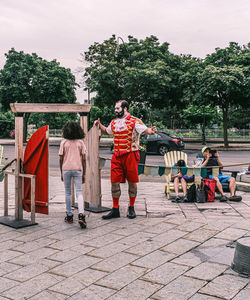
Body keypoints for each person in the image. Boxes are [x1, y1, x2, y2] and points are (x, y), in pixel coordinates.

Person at [94, 100, 157, 219]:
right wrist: (99, 124)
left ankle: (131, 207)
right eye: (115, 109)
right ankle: (115, 209)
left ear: (125, 108)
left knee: (132, 182)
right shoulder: (113, 122)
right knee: (114, 182)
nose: (115, 111)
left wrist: (151, 131)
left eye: (117, 108)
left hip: (131, 155)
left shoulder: (135, 121)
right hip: (117, 156)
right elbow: (107, 132)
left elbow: (145, 130)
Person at [59, 121, 87, 228]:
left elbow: (61, 158)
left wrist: (61, 171)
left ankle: (69, 216)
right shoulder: (80, 142)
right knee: (79, 192)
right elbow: (84, 159)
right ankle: (81, 215)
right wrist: (84, 173)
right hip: (78, 169)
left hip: (66, 169)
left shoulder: (64, 142)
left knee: (67, 193)